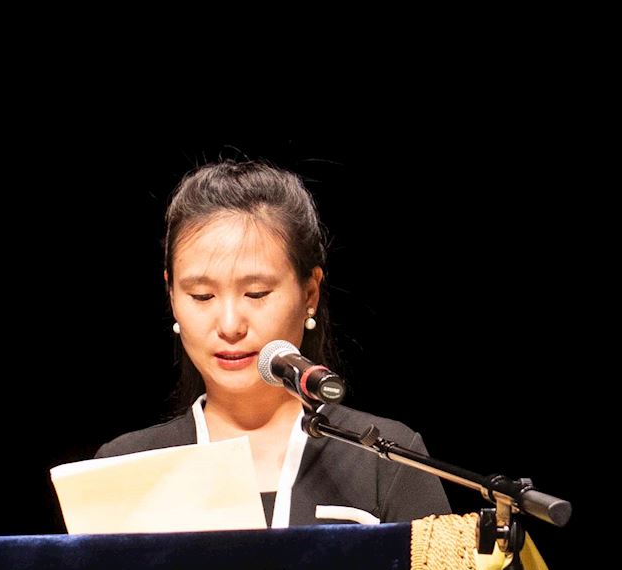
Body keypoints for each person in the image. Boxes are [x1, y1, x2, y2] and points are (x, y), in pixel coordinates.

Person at [96, 160, 451, 527]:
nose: (230, 325)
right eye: (202, 296)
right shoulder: (122, 469)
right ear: (172, 296)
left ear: (310, 293)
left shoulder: (386, 457)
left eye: (256, 293)